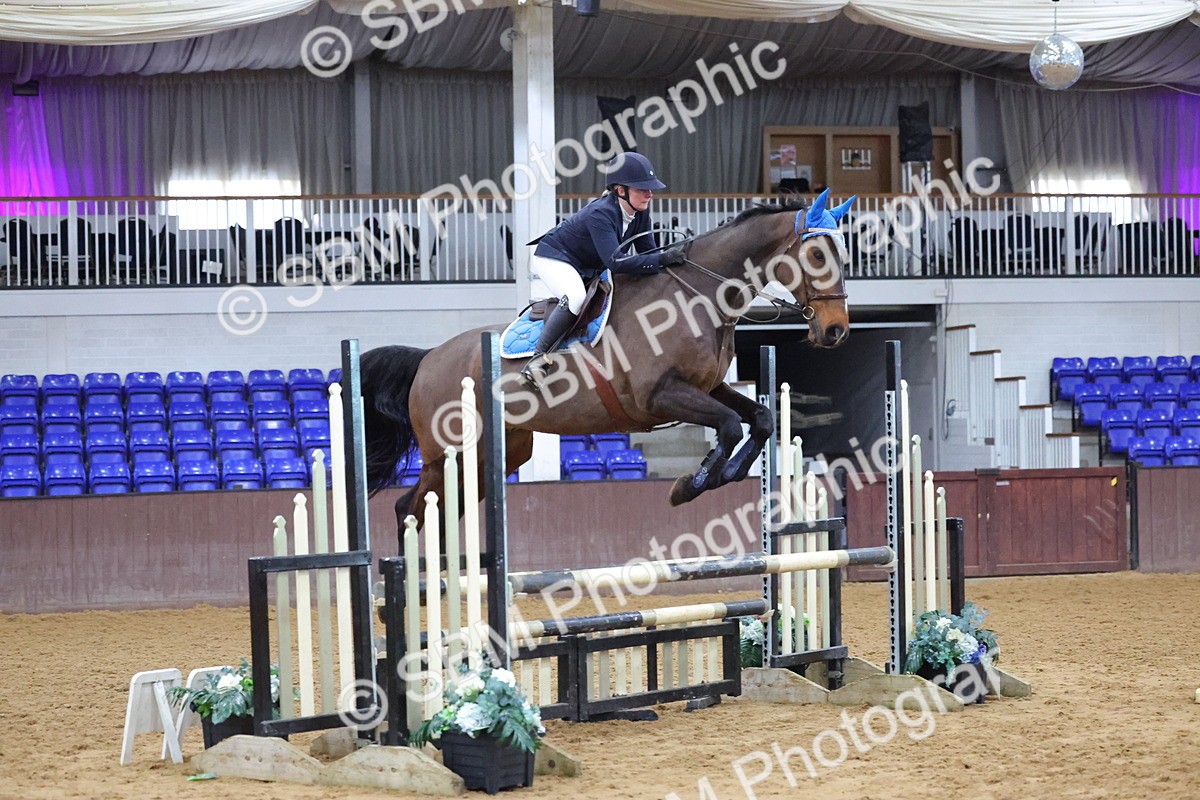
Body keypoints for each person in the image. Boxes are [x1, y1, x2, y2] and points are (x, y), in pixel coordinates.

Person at [522, 152, 686, 383]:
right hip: (556, 257)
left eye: (650, 189)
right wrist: (662, 259)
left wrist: (671, 260)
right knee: (576, 297)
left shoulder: (640, 211)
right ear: (621, 190)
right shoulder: (601, 213)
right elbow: (616, 262)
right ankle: (537, 360)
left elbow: (648, 253)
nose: (650, 194)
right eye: (642, 189)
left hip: (588, 263)